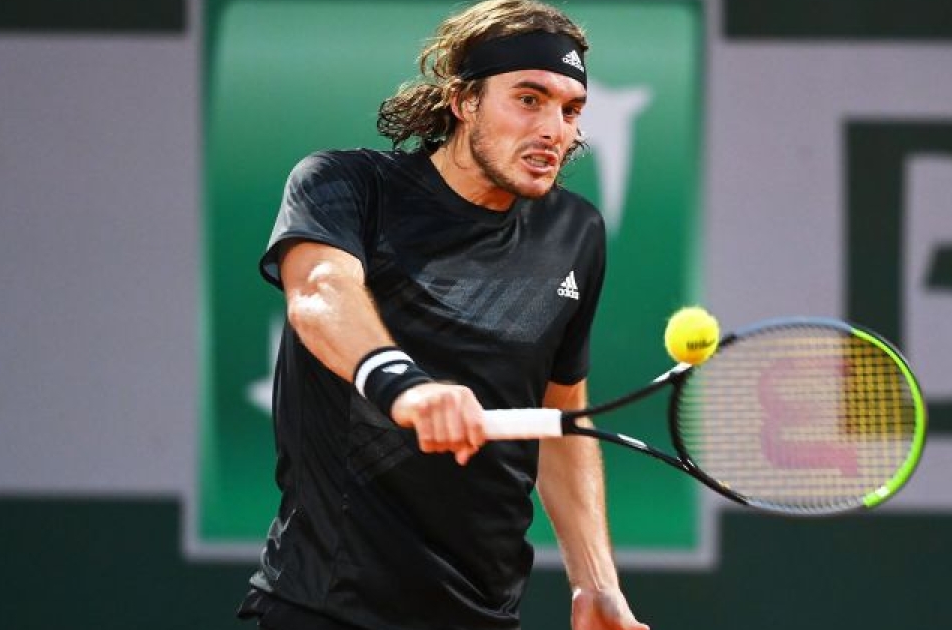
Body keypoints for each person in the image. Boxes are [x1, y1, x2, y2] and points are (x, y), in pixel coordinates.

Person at [236, 1, 649, 629]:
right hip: (328, 605)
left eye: (570, 110)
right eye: (529, 99)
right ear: (463, 101)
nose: (554, 130)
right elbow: (319, 292)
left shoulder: (575, 231)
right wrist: (402, 384)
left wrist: (595, 582)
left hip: (483, 611)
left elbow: (559, 416)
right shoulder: (348, 185)